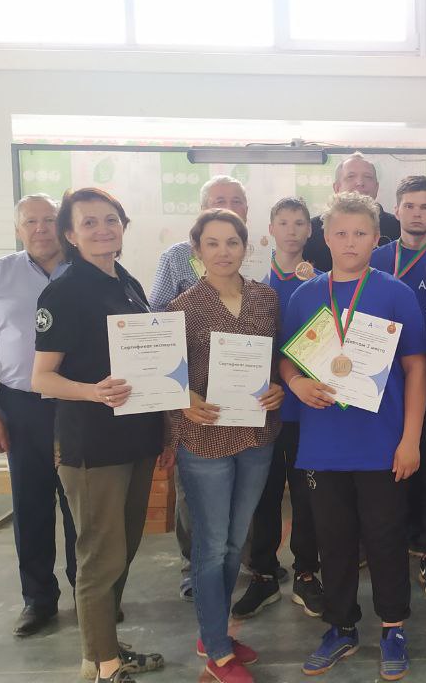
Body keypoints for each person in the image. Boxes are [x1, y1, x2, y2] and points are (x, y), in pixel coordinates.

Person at [281, 192, 426, 680]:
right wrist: (296, 383)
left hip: (382, 444)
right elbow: (287, 360)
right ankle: (340, 626)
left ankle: (393, 627)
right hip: (324, 445)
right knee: (335, 541)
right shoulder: (305, 296)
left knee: (386, 539)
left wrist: (410, 439)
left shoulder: (395, 294)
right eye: (340, 233)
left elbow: (416, 368)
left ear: (376, 238)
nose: (349, 242)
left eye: (360, 233)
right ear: (325, 237)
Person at [30, 188, 166, 683]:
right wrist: (93, 391)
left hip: (136, 439)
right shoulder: (64, 292)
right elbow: (41, 378)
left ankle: (102, 648)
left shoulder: (125, 280)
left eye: (111, 220)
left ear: (123, 226)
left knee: (122, 551)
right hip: (93, 447)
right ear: (70, 234)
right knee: (99, 557)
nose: (103, 229)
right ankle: (105, 666)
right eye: (89, 222)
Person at [163, 209, 285, 683]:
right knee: (211, 547)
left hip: (256, 435)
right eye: (211, 243)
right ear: (197, 251)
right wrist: (184, 398)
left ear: (245, 247)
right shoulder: (181, 308)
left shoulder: (266, 299)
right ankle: (217, 651)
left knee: (236, 542)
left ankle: (212, 631)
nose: (223, 252)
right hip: (205, 438)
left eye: (232, 242)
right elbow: (164, 378)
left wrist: (277, 388)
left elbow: (277, 362)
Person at [0, 194, 77, 637]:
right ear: (18, 229)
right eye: (31, 221)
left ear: (62, 225)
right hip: (21, 405)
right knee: (31, 504)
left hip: (78, 405)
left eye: (49, 220)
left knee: (81, 506)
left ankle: (90, 594)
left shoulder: (86, 271)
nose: (41, 229)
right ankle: (38, 599)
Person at [148, 174, 251, 601]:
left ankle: (230, 569)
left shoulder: (253, 274)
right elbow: (156, 324)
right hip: (195, 404)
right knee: (195, 503)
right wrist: (180, 393)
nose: (227, 205)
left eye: (236, 200)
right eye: (218, 199)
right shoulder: (176, 259)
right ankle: (195, 570)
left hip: (243, 406)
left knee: (237, 506)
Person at [232, 197, 326, 620]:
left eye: (299, 223)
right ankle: (264, 574)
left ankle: (306, 573)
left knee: (308, 496)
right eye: (283, 222)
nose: (291, 230)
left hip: (307, 410)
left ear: (310, 231)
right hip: (262, 407)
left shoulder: (323, 284)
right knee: (263, 495)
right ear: (270, 229)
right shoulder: (250, 283)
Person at [370, 176, 426, 607]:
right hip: (380, 386)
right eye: (409, 205)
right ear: (396, 210)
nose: (417, 213)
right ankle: (387, 544)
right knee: (387, 470)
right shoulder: (374, 258)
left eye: (425, 206)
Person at [303, 153, 402, 270]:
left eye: (368, 177)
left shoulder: (397, 227)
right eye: (351, 176)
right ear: (337, 188)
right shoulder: (312, 230)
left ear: (376, 187)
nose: (360, 182)